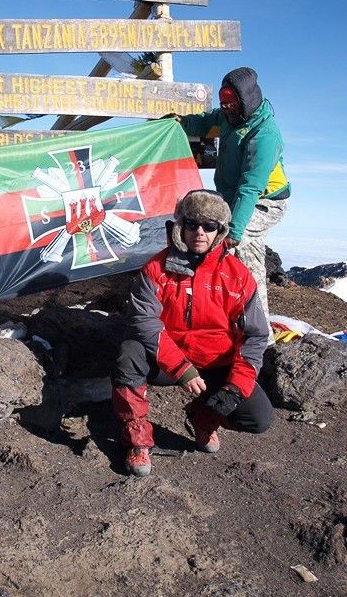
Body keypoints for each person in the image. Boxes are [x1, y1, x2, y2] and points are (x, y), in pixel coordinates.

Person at [111, 189, 273, 478]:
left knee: (258, 418)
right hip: (167, 361)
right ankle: (137, 439)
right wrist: (182, 368)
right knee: (130, 352)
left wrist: (235, 387)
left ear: (220, 231)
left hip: (215, 363)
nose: (200, 232)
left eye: (209, 226)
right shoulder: (156, 269)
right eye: (192, 223)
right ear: (180, 226)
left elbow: (255, 336)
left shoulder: (238, 276)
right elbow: (143, 321)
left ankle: (203, 416)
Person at [166, 67, 289, 332]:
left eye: (232, 103)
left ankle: (251, 329)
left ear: (247, 99)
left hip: (266, 202)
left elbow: (251, 187)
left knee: (231, 247)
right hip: (232, 197)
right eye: (224, 103)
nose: (227, 108)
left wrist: (233, 230)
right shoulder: (228, 116)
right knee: (233, 253)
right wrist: (182, 122)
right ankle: (240, 323)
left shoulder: (264, 134)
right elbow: (206, 121)